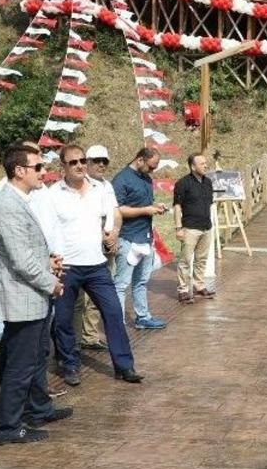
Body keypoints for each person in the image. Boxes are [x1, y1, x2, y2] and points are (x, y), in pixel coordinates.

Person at [0, 144, 73, 445]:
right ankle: (9, 426)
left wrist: (47, 262)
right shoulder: (7, 205)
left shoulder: (20, 200)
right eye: (38, 167)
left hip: (31, 294)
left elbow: (23, 251)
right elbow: (20, 260)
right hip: (22, 296)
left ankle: (37, 408)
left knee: (35, 357)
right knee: (20, 365)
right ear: (19, 170)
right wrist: (52, 282)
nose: (43, 173)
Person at [39, 145, 142, 386]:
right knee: (64, 319)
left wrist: (113, 232)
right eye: (73, 162)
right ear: (62, 165)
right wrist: (51, 258)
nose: (79, 166)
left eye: (82, 161)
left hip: (97, 266)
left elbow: (113, 214)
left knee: (114, 313)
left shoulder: (101, 188)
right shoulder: (52, 194)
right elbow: (45, 231)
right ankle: (69, 364)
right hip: (67, 266)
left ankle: (124, 366)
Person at [112, 147, 168, 329]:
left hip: (145, 237)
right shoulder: (121, 180)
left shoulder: (146, 178)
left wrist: (154, 206)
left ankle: (142, 316)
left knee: (141, 281)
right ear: (140, 160)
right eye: (151, 167)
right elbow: (118, 210)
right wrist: (146, 210)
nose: (152, 171)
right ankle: (118, 323)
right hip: (127, 238)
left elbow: (143, 204)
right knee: (121, 284)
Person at [74, 144, 120, 350]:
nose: (101, 165)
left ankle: (90, 336)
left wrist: (115, 233)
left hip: (107, 245)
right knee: (78, 298)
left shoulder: (107, 186)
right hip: (86, 248)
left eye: (105, 161)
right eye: (96, 161)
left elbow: (115, 212)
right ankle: (73, 341)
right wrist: (103, 235)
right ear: (87, 162)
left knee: (98, 296)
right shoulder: (81, 185)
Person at [172, 153, 215, 305]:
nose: (205, 165)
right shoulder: (183, 183)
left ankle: (199, 285)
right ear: (192, 166)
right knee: (185, 260)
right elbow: (177, 207)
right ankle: (183, 290)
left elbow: (209, 204)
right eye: (202, 163)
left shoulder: (208, 182)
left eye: (206, 163)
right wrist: (178, 228)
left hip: (206, 227)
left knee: (201, 259)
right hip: (190, 228)